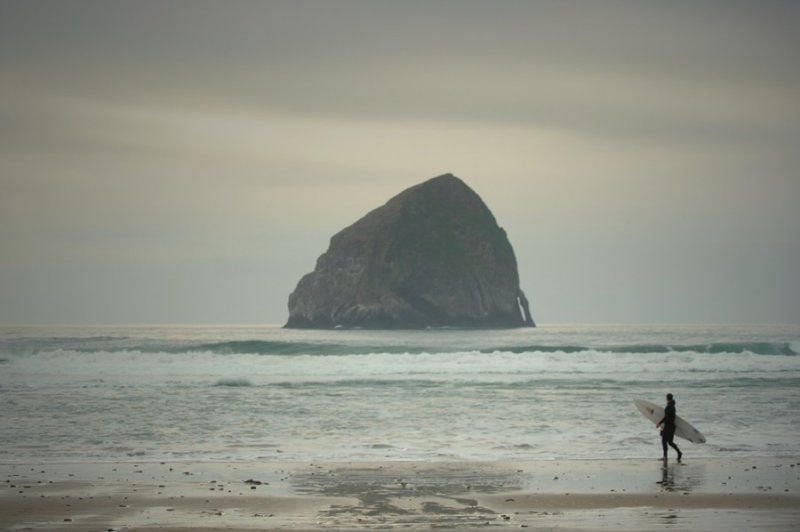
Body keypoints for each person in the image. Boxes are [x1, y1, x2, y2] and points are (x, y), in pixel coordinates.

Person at [656, 393, 683, 462]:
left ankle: (665, 457)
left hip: (668, 426)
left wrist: (659, 423)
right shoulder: (673, 406)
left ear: (667, 398)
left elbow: (666, 417)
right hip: (672, 426)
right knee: (670, 442)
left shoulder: (669, 407)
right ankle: (679, 453)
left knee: (664, 441)